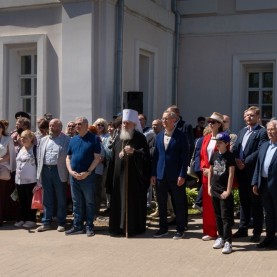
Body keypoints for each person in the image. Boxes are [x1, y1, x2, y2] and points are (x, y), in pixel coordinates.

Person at [108, 109, 150, 237]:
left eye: (127, 123)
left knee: (131, 202)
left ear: (134, 124)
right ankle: (117, 227)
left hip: (133, 179)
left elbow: (145, 156)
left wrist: (134, 152)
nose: (124, 125)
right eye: (123, 123)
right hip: (118, 177)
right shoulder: (118, 138)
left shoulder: (140, 138)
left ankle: (132, 227)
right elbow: (113, 157)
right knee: (118, 201)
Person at [151, 110, 189, 239]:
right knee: (161, 203)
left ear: (173, 120)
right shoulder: (158, 136)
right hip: (161, 175)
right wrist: (153, 174)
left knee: (178, 203)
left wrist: (182, 175)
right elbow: (155, 157)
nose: (164, 121)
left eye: (166, 119)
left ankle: (180, 228)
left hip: (176, 176)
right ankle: (163, 228)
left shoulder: (181, 136)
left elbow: (185, 157)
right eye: (163, 119)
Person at [232, 106, 268, 242]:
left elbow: (260, 150)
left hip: (252, 172)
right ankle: (242, 229)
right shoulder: (242, 131)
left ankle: (257, 232)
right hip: (241, 172)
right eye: (247, 115)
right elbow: (236, 148)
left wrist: (244, 162)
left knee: (255, 203)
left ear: (258, 117)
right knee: (243, 202)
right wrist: (235, 159)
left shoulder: (262, 132)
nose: (249, 118)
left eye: (252, 115)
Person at [66, 117, 101, 237]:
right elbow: (68, 158)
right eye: (76, 124)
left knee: (89, 202)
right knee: (76, 202)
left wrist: (88, 172)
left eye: (80, 124)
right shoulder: (73, 140)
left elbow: (97, 158)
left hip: (88, 176)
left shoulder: (94, 139)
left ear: (86, 125)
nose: (77, 126)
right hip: (74, 176)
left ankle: (89, 226)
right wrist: (71, 171)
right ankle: (77, 226)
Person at [36, 119, 71, 232]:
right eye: (50, 125)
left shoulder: (67, 140)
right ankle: (46, 221)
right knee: (47, 197)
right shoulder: (43, 140)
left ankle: (61, 222)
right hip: (45, 169)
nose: (50, 127)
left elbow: (70, 157)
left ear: (60, 128)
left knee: (61, 197)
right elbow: (39, 157)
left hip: (59, 170)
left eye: (53, 126)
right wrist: (38, 174)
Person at [208, 132, 235, 254]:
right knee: (217, 215)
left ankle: (228, 241)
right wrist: (209, 186)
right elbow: (210, 171)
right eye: (217, 142)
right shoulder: (214, 155)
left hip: (224, 190)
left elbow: (231, 174)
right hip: (214, 189)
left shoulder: (230, 156)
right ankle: (221, 238)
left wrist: (228, 190)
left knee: (226, 217)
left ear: (226, 143)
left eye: (220, 142)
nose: (217, 144)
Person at [252, 120, 277, 248]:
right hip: (264, 184)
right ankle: (269, 237)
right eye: (268, 130)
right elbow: (258, 165)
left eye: (272, 129)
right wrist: (255, 182)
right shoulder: (264, 145)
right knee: (268, 213)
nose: (270, 132)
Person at [200, 112, 224, 240]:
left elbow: (224, 157)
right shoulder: (207, 138)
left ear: (219, 124)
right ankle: (210, 231)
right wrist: (203, 167)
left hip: (218, 175)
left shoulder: (223, 138)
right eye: (209, 121)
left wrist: (213, 170)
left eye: (213, 122)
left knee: (218, 204)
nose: (210, 123)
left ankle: (221, 231)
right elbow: (202, 156)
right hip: (205, 175)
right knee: (207, 204)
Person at [14, 130, 37, 229]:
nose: (23, 139)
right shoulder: (20, 149)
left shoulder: (35, 149)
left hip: (31, 181)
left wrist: (39, 182)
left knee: (29, 201)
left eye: (25, 137)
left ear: (31, 138)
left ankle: (31, 219)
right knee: (22, 201)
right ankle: (22, 219)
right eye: (22, 137)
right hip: (19, 180)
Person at [0, 120, 16, 226]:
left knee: (1, 196)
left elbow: (10, 155)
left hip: (2, 169)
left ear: (2, 128)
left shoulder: (7, 139)